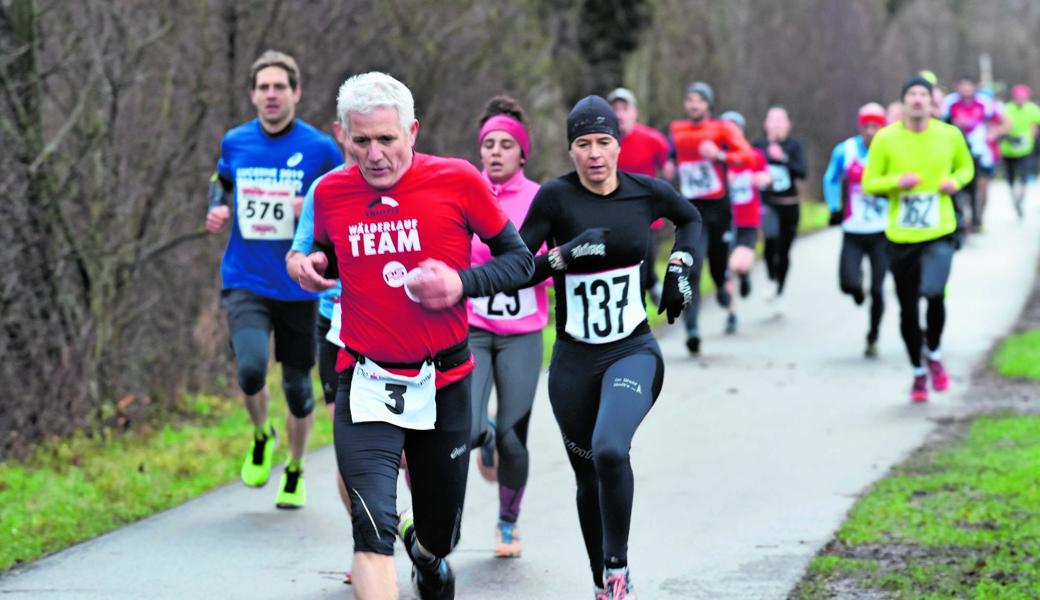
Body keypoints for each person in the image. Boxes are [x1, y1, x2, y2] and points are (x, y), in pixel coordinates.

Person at [297, 72, 533, 600]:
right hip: (364, 378)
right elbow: (324, 251)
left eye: (387, 139)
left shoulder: (459, 180)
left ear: (412, 132)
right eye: (361, 141)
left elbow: (520, 262)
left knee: (438, 535)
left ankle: (426, 557)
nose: (375, 154)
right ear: (343, 137)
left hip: (444, 379)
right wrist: (309, 263)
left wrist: (461, 282)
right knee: (372, 530)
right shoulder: (332, 191)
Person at [516, 95, 701, 599]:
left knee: (610, 450)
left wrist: (681, 268)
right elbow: (515, 264)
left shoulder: (646, 193)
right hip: (573, 362)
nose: (594, 153)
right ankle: (602, 581)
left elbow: (691, 219)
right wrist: (562, 257)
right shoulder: (555, 199)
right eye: (582, 144)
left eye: (603, 141)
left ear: (618, 145)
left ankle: (617, 571)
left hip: (632, 351)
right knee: (586, 478)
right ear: (570, 149)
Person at [206, 50, 342, 508]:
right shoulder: (235, 141)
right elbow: (221, 180)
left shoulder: (321, 147)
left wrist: (313, 207)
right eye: (262, 87)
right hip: (245, 276)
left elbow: (342, 203)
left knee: (298, 389)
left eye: (279, 86)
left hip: (299, 284)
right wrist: (217, 206)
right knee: (249, 370)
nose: (270, 94)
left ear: (296, 93)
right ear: (252, 94)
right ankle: (262, 435)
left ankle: (296, 467)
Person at [466, 95, 550, 559]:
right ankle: (487, 433)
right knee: (471, 430)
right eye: (489, 144)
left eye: (506, 145)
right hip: (473, 326)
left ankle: (507, 523)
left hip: (523, 331)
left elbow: (558, 258)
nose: (495, 152)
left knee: (515, 439)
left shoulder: (540, 198)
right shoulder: (465, 191)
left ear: (522, 153)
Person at [863, 75, 974, 403]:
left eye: (922, 94)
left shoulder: (949, 135)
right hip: (901, 237)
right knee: (908, 310)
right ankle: (918, 371)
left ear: (931, 102)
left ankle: (935, 353)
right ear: (902, 102)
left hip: (939, 230)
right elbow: (870, 182)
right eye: (910, 93)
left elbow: (966, 169)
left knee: (935, 292)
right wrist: (898, 181)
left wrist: (955, 182)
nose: (917, 99)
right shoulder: (885, 139)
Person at [669, 81, 756, 354]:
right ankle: (692, 328)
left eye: (700, 100)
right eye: (690, 99)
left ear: (708, 105)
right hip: (691, 210)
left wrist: (719, 154)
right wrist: (669, 164)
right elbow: (670, 153)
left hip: (719, 209)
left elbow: (749, 158)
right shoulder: (676, 129)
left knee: (718, 265)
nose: (694, 104)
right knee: (691, 269)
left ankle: (721, 284)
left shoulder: (722, 129)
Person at [823, 103, 890, 357]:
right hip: (853, 229)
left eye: (876, 126)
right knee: (847, 283)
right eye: (867, 126)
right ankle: (856, 291)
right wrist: (834, 207)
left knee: (878, 289)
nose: (871, 131)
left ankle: (873, 335)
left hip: (882, 231)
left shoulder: (889, 151)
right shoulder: (846, 149)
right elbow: (831, 178)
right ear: (860, 126)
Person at [608, 87, 675, 304]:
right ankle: (633, 300)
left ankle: (652, 283)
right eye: (614, 109)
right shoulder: (603, 143)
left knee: (646, 256)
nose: (619, 114)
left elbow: (669, 165)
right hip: (615, 211)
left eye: (624, 108)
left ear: (634, 112)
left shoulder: (652, 139)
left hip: (647, 211)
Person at [754, 105, 807, 305]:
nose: (776, 125)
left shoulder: (794, 146)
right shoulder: (758, 145)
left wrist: (782, 158)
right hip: (768, 204)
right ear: (765, 124)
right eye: (772, 121)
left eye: (780, 121)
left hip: (790, 205)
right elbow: (748, 168)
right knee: (770, 239)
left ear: (788, 125)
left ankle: (780, 286)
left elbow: (802, 172)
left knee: (784, 250)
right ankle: (770, 278)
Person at [718, 111, 771, 299]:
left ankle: (744, 274)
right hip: (724, 219)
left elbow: (767, 177)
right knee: (726, 264)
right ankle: (730, 315)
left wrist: (760, 179)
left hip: (748, 218)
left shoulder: (753, 155)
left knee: (739, 264)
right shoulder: (719, 160)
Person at [941, 75, 1001, 232]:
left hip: (981, 151)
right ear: (957, 86)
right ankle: (965, 220)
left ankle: (979, 218)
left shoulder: (984, 102)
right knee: (963, 188)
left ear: (974, 87)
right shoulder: (950, 102)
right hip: (958, 150)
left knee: (982, 188)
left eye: (969, 85)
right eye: (962, 85)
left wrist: (994, 133)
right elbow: (941, 123)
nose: (966, 89)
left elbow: (1002, 122)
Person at [999, 84, 1040, 218]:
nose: (1020, 99)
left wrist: (1033, 134)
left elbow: (1036, 124)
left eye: (1023, 97)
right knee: (1010, 178)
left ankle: (1020, 200)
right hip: (1008, 149)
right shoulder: (1007, 108)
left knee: (1024, 177)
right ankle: (1014, 199)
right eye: (1018, 97)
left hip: (1025, 150)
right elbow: (1003, 124)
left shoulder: (1032, 109)